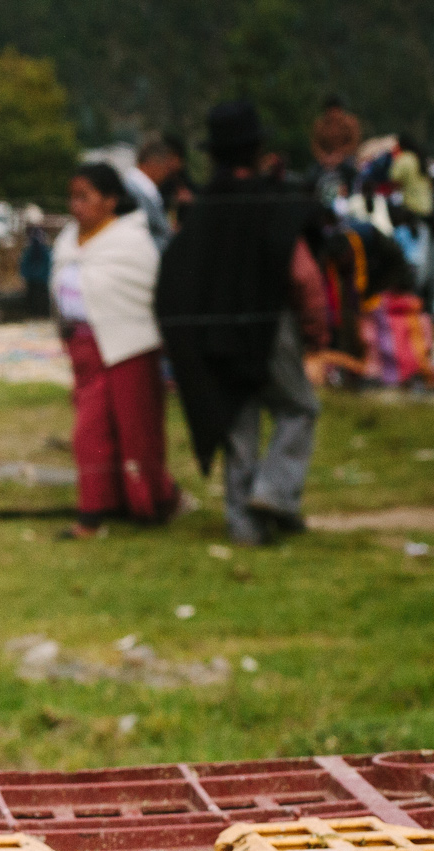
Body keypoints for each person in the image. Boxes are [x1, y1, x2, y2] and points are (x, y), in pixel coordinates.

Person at [156, 99, 330, 546]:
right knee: (298, 408)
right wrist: (315, 335)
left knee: (236, 420)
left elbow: (173, 277)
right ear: (256, 151)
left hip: (212, 334)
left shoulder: (199, 211)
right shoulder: (275, 201)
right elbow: (303, 276)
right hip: (269, 327)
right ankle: (274, 490)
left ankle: (244, 526)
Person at [53, 162, 176, 538]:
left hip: (129, 347)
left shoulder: (131, 242)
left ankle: (149, 502)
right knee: (90, 432)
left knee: (136, 429)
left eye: (84, 197)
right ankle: (95, 509)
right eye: (72, 197)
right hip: (86, 347)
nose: (76, 206)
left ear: (110, 201)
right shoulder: (68, 241)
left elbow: (146, 292)